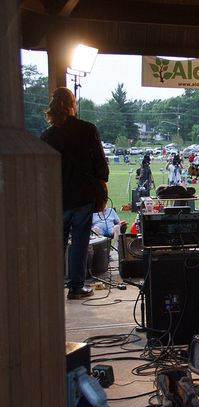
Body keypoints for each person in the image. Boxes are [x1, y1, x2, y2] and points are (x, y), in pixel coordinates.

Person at [41, 87, 109, 300]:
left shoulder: (47, 135)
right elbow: (99, 162)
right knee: (80, 241)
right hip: (82, 195)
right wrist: (102, 187)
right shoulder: (87, 129)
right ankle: (76, 286)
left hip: (58, 196)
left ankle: (51, 287)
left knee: (56, 243)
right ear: (73, 104)